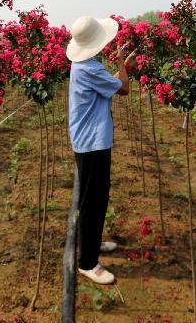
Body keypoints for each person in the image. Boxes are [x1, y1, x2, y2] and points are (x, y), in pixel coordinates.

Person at [65, 15, 136, 285]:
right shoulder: (90, 69)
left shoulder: (84, 65)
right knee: (92, 202)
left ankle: (92, 245)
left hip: (90, 140)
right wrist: (122, 64)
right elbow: (124, 89)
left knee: (96, 198)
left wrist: (122, 68)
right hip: (92, 143)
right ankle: (87, 263)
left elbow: (111, 84)